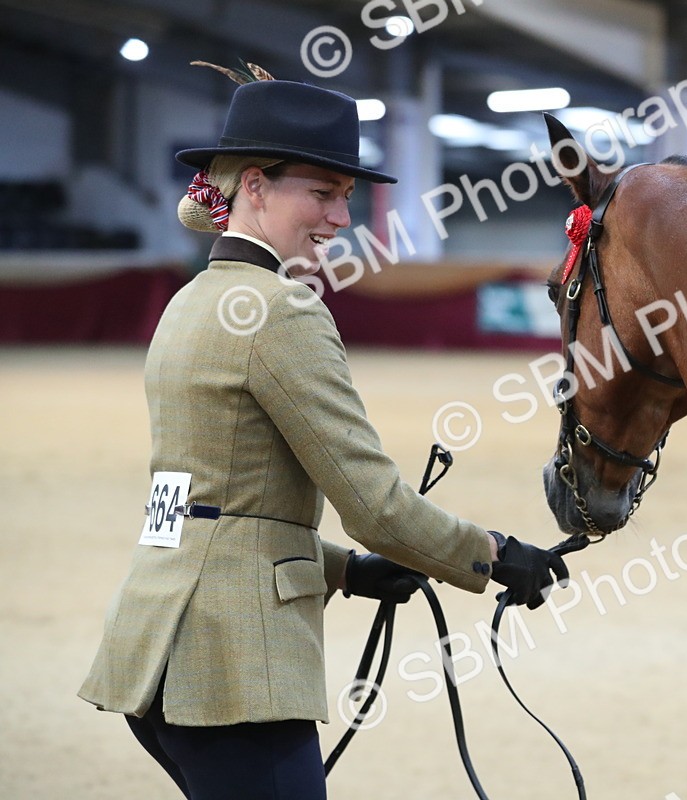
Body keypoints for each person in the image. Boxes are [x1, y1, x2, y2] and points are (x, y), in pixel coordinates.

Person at [78, 65, 568, 800]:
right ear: (253, 187)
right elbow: (375, 506)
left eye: (346, 198)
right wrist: (494, 556)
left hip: (157, 649)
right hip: (235, 666)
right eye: (323, 193)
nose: (343, 219)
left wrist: (347, 570)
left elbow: (209, 504)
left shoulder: (186, 304)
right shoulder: (283, 310)